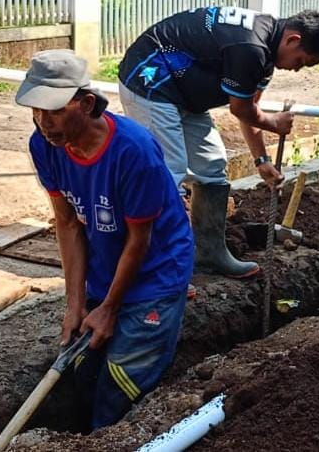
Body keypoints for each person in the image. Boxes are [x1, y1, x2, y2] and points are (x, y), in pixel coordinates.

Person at [18, 50, 194, 429]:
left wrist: (111, 308)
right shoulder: (45, 146)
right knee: (82, 368)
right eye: (35, 110)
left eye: (54, 110)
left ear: (87, 103)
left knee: (120, 386)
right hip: (105, 266)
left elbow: (139, 240)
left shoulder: (134, 151)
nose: (43, 123)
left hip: (155, 272)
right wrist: (75, 304)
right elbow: (67, 225)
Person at [117, 7, 319, 279]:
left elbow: (248, 106)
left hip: (184, 94)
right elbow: (242, 111)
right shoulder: (251, 48)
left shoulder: (265, 51)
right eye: (302, 61)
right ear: (293, 40)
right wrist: (274, 123)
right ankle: (161, 270)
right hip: (151, 81)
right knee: (169, 171)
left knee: (212, 165)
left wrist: (262, 161)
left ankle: (209, 254)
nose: (297, 69)